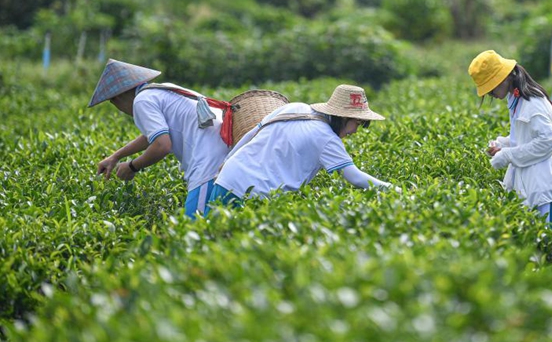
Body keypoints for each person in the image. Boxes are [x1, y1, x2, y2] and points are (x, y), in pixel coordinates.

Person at [206, 84, 390, 211]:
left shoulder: (295, 107)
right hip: (253, 192)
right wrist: (395, 189)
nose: (355, 131)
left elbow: (250, 135)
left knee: (214, 237)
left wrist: (226, 162)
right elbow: (355, 177)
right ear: (343, 117)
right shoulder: (326, 138)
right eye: (357, 123)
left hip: (229, 177)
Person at [89, 59, 231, 219]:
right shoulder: (160, 91)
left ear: (117, 98)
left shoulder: (141, 101)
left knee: (197, 224)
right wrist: (116, 157)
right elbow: (153, 136)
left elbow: (162, 145)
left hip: (208, 166)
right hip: (227, 156)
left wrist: (132, 166)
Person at [468, 50, 552, 223]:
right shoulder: (516, 98)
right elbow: (526, 136)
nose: (490, 94)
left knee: (546, 244)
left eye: (491, 89)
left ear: (504, 78)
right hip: (531, 185)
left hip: (543, 189)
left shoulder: (531, 102)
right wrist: (503, 144)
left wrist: (507, 155)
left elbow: (546, 142)